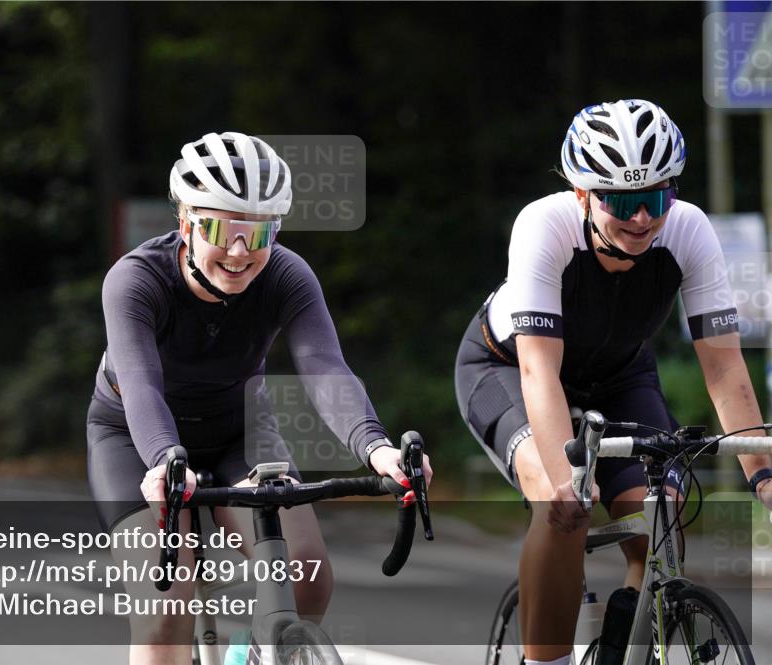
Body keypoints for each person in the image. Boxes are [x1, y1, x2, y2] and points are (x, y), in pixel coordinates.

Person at [87, 131, 432, 665]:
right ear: (187, 223)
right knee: (164, 615)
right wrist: (161, 461)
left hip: (236, 430)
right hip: (136, 438)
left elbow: (324, 368)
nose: (241, 251)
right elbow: (140, 384)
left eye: (261, 232)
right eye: (223, 230)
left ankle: (254, 655)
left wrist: (377, 448)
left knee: (307, 575)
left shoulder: (287, 275)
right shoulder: (134, 280)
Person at [454, 99, 772, 665]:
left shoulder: (691, 231)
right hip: (509, 370)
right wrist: (564, 479)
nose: (642, 218)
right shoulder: (543, 225)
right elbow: (538, 369)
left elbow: (724, 367)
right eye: (622, 201)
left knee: (662, 518)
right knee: (565, 509)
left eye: (654, 198)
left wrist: (765, 477)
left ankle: (623, 643)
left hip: (620, 375)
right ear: (582, 194)